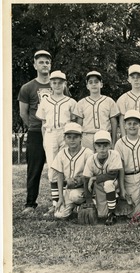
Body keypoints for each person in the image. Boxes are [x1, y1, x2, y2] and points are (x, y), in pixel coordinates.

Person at [36, 70, 77, 216]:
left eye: (60, 82)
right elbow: (43, 123)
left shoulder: (71, 102)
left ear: (65, 84)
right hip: (51, 133)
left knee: (66, 167)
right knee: (53, 168)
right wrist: (44, 140)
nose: (57, 85)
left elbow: (75, 122)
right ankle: (55, 204)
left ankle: (67, 201)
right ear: (50, 84)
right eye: (54, 82)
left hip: (66, 133)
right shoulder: (45, 101)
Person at [18, 50, 52, 214]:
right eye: (41, 62)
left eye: (47, 62)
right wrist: (34, 126)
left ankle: (59, 202)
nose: (44, 65)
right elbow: (23, 113)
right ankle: (30, 204)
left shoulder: (59, 85)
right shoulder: (28, 87)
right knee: (34, 168)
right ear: (35, 65)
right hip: (36, 132)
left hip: (54, 132)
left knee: (58, 167)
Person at [50, 122, 94, 219]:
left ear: (81, 138)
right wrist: (60, 197)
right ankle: (75, 207)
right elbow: (60, 175)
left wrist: (78, 180)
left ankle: (87, 203)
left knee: (75, 196)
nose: (72, 140)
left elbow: (92, 174)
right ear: (64, 138)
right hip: (69, 189)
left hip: (84, 188)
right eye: (69, 137)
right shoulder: (61, 153)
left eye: (75, 137)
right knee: (59, 215)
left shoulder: (88, 153)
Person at [83, 130, 124, 225]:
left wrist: (94, 178)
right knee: (102, 215)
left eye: (105, 145)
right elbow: (86, 179)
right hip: (98, 187)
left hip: (114, 183)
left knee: (108, 183)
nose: (102, 149)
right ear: (95, 147)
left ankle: (112, 214)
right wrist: (88, 200)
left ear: (110, 145)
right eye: (99, 146)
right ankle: (113, 204)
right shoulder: (91, 159)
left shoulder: (114, 154)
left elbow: (113, 174)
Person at [73, 71, 119, 150]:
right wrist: (79, 142)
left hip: (104, 135)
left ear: (101, 84)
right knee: (88, 160)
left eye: (96, 82)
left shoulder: (109, 101)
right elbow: (79, 124)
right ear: (87, 86)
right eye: (90, 82)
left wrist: (114, 141)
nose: (93, 84)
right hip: (87, 136)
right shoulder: (81, 103)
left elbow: (113, 122)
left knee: (104, 160)